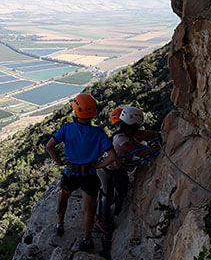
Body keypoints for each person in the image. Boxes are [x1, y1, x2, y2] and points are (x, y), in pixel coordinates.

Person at [46, 93, 118, 251]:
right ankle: (87, 239)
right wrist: (99, 165)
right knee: (89, 209)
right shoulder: (98, 133)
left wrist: (59, 161)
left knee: (63, 197)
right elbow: (113, 156)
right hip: (90, 175)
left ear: (75, 111)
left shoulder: (67, 128)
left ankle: (59, 225)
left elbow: (49, 146)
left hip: (71, 172)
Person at [95, 106, 160, 235]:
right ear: (132, 125)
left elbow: (144, 134)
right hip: (106, 169)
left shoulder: (128, 132)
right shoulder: (121, 139)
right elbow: (141, 152)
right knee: (107, 195)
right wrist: (155, 147)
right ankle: (101, 220)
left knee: (122, 188)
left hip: (115, 167)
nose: (138, 129)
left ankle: (117, 211)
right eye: (136, 127)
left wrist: (160, 135)